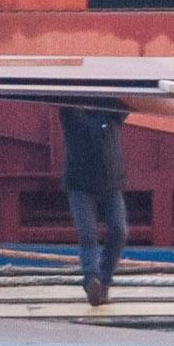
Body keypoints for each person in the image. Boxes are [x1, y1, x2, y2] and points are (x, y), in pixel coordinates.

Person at [58, 102, 128, 309]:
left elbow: (129, 102)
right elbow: (64, 102)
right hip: (80, 185)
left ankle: (104, 281)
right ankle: (91, 281)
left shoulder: (112, 110)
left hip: (111, 184)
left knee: (118, 231)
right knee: (87, 234)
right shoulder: (71, 112)